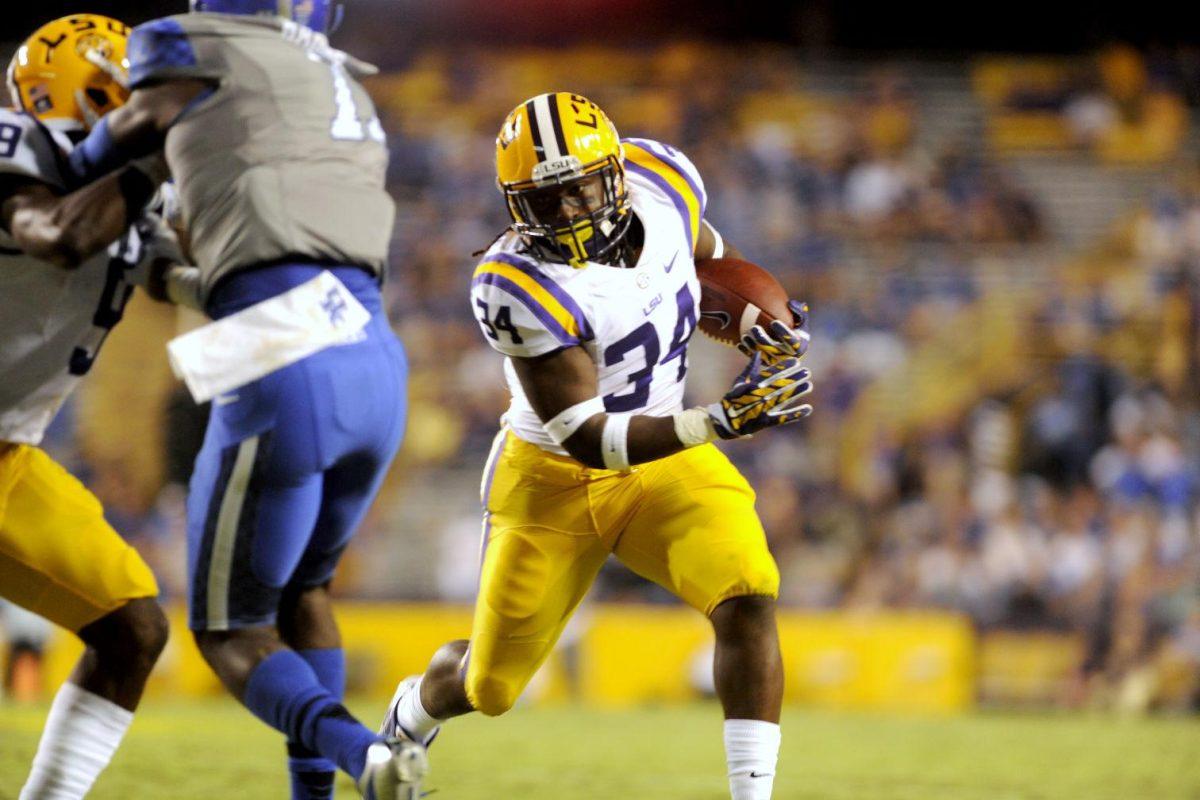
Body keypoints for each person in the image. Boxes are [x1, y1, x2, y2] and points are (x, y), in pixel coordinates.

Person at [381, 92, 813, 800]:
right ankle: (408, 713)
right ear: (516, 207)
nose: (571, 214)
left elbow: (708, 258)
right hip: (555, 478)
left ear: (614, 173)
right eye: (545, 203)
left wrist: (761, 317)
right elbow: (590, 439)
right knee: (489, 685)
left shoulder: (664, 180)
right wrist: (719, 423)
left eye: (580, 190)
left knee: (749, 590)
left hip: (667, 460)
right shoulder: (514, 283)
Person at [57, 2, 417, 797]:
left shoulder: (194, 49)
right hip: (374, 351)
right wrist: (168, 266)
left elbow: (83, 167)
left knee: (226, 627)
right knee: (306, 592)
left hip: (284, 351)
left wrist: (90, 164)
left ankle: (363, 752)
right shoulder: (342, 86)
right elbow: (270, 276)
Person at [1, 14, 173, 798]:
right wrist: (149, 167)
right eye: (121, 101)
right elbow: (56, 237)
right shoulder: (16, 145)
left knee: (131, 627)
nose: (134, 120)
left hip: (8, 456)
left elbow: (193, 273)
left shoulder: (128, 196)